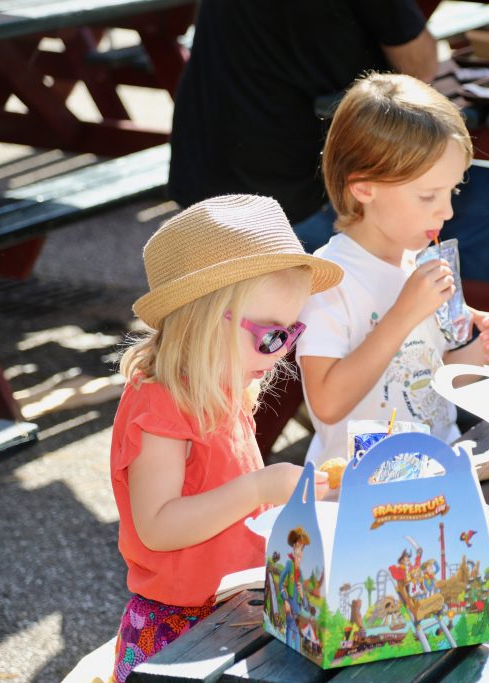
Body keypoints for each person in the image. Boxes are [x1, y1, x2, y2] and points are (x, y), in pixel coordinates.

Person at [108, 194, 343, 682]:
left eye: (290, 333)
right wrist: (258, 489)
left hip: (232, 606)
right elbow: (158, 525)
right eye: (269, 334)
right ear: (203, 319)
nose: (280, 352)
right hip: (175, 628)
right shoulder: (162, 403)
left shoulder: (224, 386)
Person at [168, 0, 489, 286]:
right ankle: (442, 340)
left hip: (200, 183)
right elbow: (419, 65)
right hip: (293, 206)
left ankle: (422, 333)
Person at [295, 73, 489, 466]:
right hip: (359, 485)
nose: (447, 211)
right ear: (364, 188)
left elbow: (428, 381)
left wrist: (482, 351)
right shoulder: (330, 279)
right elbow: (327, 404)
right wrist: (404, 314)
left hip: (439, 464)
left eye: (453, 191)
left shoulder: (419, 261)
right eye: (428, 195)